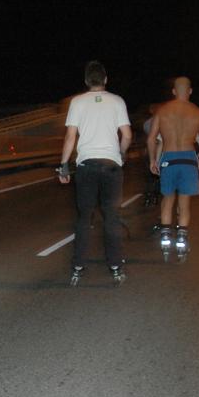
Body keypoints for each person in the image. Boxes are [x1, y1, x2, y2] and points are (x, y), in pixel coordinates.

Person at [57, 60, 132, 284]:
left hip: (87, 166)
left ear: (86, 81)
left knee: (84, 217)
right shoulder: (117, 101)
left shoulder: (77, 102)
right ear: (105, 79)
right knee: (111, 217)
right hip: (111, 165)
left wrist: (63, 165)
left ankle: (78, 266)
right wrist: (121, 153)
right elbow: (127, 135)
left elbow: (70, 137)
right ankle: (115, 266)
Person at [147, 76, 199, 257]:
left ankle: (165, 238)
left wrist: (153, 160)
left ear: (173, 91)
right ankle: (182, 240)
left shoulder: (162, 111)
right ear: (190, 91)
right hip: (188, 159)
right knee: (184, 202)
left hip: (168, 158)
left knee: (167, 199)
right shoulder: (198, 112)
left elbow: (151, 138)